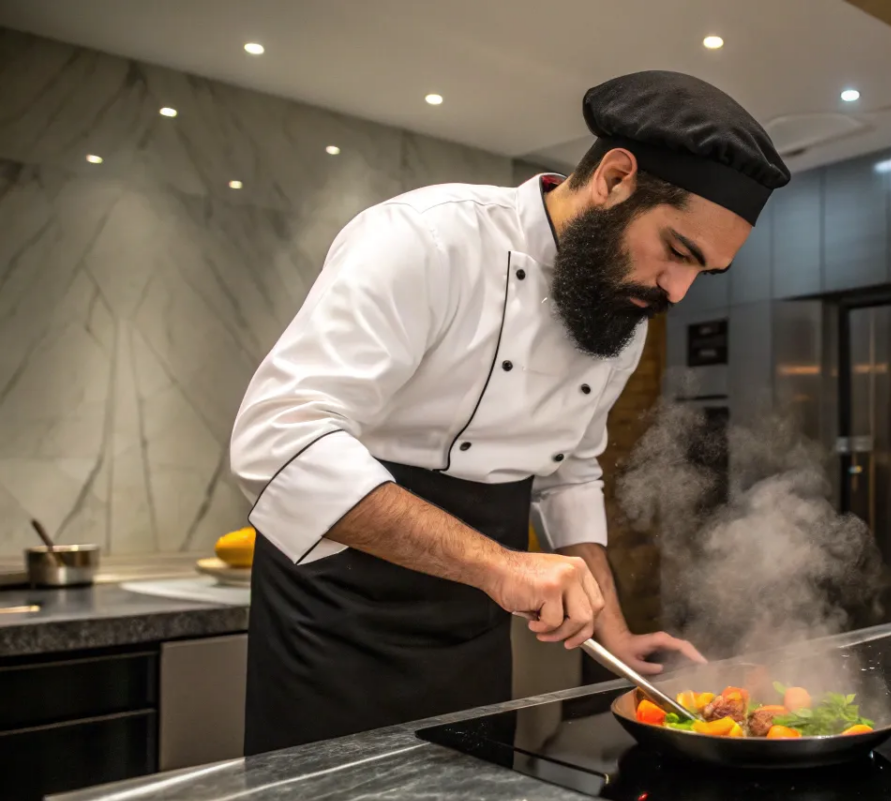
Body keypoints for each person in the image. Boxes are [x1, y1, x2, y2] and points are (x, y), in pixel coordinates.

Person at [231, 71, 791, 754]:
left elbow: (568, 473)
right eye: (677, 252)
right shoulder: (427, 238)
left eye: (703, 273)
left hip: (473, 627)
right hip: (337, 622)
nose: (677, 290)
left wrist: (612, 629)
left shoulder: (620, 310)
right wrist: (500, 566)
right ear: (615, 179)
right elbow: (280, 434)